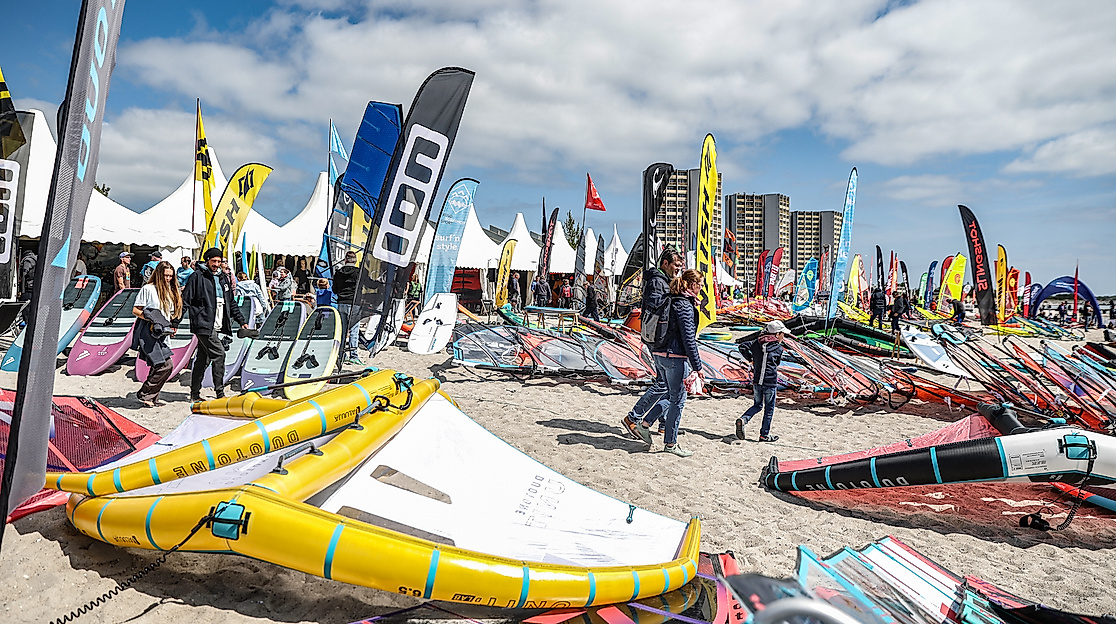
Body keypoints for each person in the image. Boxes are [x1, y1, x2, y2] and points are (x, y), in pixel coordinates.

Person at [627, 269, 704, 457]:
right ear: (693, 285)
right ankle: (670, 443)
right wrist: (698, 367)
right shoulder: (684, 305)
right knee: (678, 399)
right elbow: (688, 339)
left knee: (670, 394)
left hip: (659, 353)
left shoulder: (670, 299)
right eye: (700, 285)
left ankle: (645, 424)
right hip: (674, 356)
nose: (701, 288)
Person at [620, 247, 685, 442]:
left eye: (680, 266)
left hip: (660, 336)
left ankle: (663, 424)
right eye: (676, 265)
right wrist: (677, 297)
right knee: (664, 384)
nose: (678, 269)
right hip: (658, 337)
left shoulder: (663, 280)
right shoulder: (657, 281)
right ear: (665, 263)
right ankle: (634, 418)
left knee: (668, 384)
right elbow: (656, 303)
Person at [182, 248, 248, 402]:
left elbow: (231, 302)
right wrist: (174, 323)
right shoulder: (197, 276)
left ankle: (194, 394)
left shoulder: (223, 278)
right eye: (214, 261)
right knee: (219, 354)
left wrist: (242, 321)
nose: (216, 264)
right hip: (203, 323)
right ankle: (220, 393)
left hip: (216, 324)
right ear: (207, 261)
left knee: (202, 359)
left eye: (219, 261)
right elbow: (186, 300)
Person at [132, 260, 182, 407]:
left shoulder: (170, 291)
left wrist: (171, 326)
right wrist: (151, 319)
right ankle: (145, 393)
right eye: (166, 275)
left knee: (158, 365)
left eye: (171, 276)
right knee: (165, 364)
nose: (168, 278)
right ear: (159, 274)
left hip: (163, 333)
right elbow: (135, 310)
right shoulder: (148, 289)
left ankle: (151, 398)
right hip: (149, 331)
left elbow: (169, 313)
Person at [735, 319, 791, 442]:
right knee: (769, 409)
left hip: (757, 380)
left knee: (757, 405)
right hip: (770, 381)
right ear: (777, 334)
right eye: (782, 334)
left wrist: (751, 358)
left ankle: (744, 419)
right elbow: (776, 362)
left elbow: (742, 346)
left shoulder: (757, 343)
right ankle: (764, 435)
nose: (783, 336)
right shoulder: (778, 348)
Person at [333, 251, 362, 365]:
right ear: (355, 261)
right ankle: (353, 355)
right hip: (354, 303)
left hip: (341, 302)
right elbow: (362, 287)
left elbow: (334, 289)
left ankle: (342, 354)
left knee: (343, 330)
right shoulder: (358, 272)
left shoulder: (338, 272)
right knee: (354, 330)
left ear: (345, 260)